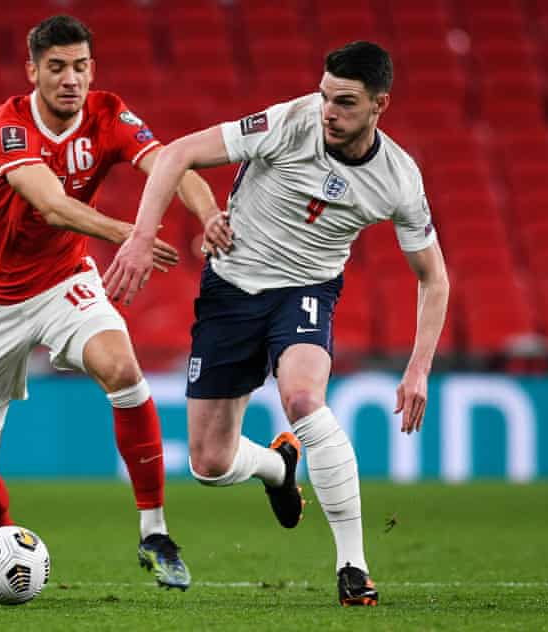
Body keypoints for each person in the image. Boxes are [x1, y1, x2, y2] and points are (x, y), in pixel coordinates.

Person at [105, 41, 450, 607]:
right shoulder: (289, 122)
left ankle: (353, 566)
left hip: (307, 291)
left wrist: (418, 370)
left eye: (344, 102)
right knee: (209, 464)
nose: (328, 112)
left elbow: (433, 277)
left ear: (379, 105)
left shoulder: (398, 178)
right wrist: (142, 238)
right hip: (231, 290)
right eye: (324, 96)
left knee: (303, 400)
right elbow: (174, 155)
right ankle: (277, 466)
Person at [0, 15, 226, 599]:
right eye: (56, 68)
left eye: (80, 67)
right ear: (33, 72)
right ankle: (4, 555)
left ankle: (155, 532)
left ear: (92, 69)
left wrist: (211, 215)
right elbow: (52, 205)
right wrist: (133, 233)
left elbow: (172, 163)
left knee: (123, 370)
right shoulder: (9, 128)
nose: (70, 79)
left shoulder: (109, 114)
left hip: (62, 278)